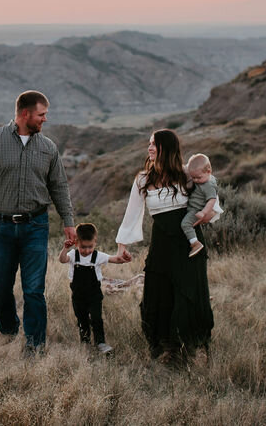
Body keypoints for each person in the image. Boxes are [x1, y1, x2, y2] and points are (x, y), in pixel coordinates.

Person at [0, 90, 76, 353]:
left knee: (34, 289)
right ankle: (9, 330)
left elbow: (59, 187)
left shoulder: (48, 148)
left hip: (36, 226)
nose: (45, 119)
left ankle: (35, 344)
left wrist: (68, 221)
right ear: (25, 114)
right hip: (0, 227)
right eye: (41, 114)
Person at [115, 129, 218, 365]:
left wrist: (208, 213)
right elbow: (132, 214)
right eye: (149, 144)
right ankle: (164, 346)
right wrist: (122, 246)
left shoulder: (186, 175)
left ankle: (185, 349)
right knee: (157, 294)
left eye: (155, 144)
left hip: (188, 245)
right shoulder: (143, 179)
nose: (150, 148)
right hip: (161, 244)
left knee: (188, 294)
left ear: (167, 149)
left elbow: (210, 194)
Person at [58, 222, 129, 355]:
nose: (86, 250)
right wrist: (65, 249)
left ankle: (100, 342)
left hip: (94, 294)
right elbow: (62, 260)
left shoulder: (98, 256)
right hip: (78, 295)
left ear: (95, 242)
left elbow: (116, 259)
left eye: (90, 247)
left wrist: (123, 256)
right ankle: (85, 341)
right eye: (83, 247)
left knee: (96, 318)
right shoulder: (73, 255)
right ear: (76, 243)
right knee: (82, 318)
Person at [181, 153, 223, 257]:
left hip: (197, 210)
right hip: (193, 208)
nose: (195, 180)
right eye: (193, 178)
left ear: (209, 172)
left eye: (198, 178)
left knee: (185, 224)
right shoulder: (202, 180)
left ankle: (195, 243)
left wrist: (204, 212)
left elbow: (211, 200)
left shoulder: (209, 185)